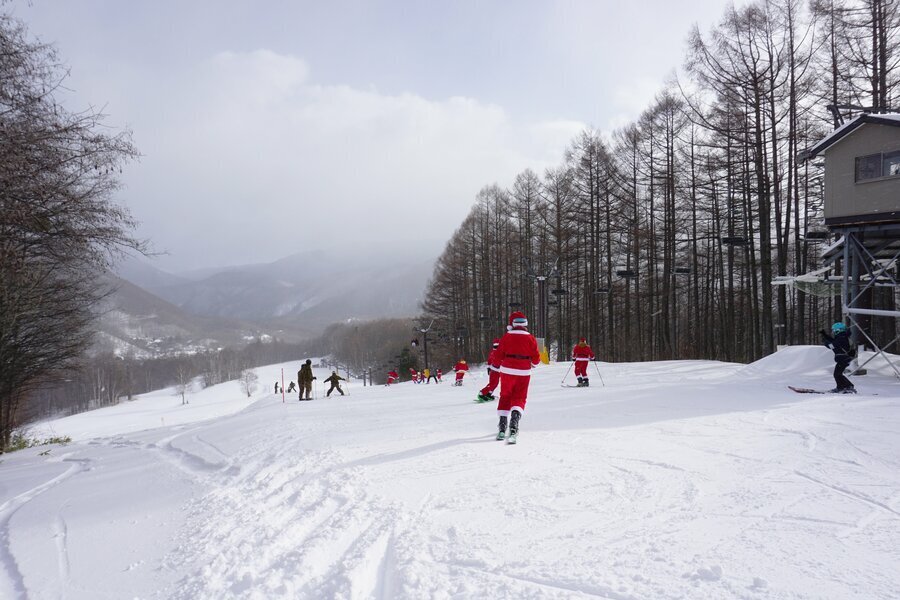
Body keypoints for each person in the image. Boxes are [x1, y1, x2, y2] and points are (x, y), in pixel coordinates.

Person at [494, 311, 540, 442]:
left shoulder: (507, 337)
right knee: (519, 396)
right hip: (523, 371)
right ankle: (514, 425)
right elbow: (536, 357)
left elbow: (498, 354)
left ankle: (502, 426)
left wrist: (497, 365)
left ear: (512, 324)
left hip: (507, 370)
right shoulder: (530, 338)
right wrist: (534, 363)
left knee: (505, 395)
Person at [820, 323, 857, 393]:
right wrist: (825, 335)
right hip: (844, 358)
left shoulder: (842, 338)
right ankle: (848, 386)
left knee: (837, 374)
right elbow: (834, 342)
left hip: (844, 358)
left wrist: (825, 342)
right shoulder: (842, 336)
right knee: (838, 374)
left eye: (834, 331)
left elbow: (833, 345)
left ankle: (841, 387)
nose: (833, 332)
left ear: (838, 330)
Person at [477, 338, 502, 402]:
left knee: (495, 383)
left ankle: (488, 394)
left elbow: (490, 360)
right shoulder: (495, 352)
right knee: (492, 384)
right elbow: (492, 360)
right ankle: (482, 393)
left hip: (496, 370)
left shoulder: (496, 352)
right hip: (494, 370)